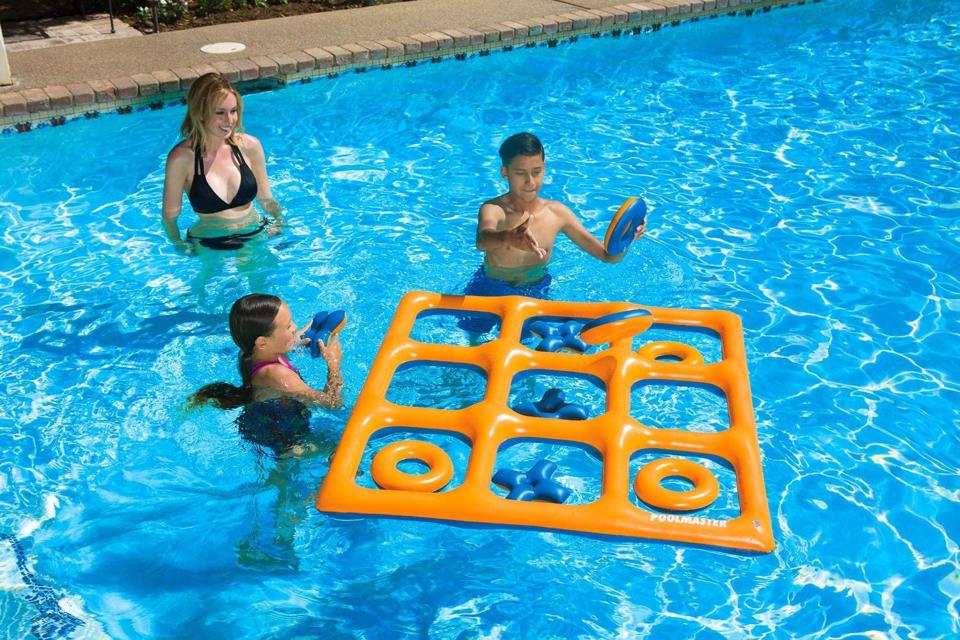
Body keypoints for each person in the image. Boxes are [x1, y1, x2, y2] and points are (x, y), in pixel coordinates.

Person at [468, 132, 646, 299]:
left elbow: (608, 257)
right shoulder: (494, 209)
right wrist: (507, 237)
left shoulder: (557, 214)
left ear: (544, 169)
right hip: (490, 286)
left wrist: (626, 240)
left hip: (535, 288)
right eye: (520, 173)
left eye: (536, 172)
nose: (530, 181)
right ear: (505, 173)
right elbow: (482, 240)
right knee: (471, 333)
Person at [188, 294, 344, 455]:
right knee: (342, 448)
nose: (295, 327)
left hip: (262, 418)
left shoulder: (248, 353)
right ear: (262, 342)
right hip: (285, 435)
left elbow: (283, 341)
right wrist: (334, 364)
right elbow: (332, 403)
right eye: (288, 326)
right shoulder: (278, 374)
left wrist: (302, 336)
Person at [162, 72, 284, 253]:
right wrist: (179, 245)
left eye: (233, 111)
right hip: (208, 241)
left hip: (254, 232)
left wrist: (280, 222)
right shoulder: (182, 158)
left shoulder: (250, 146)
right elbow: (170, 216)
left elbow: (266, 198)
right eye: (220, 113)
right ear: (200, 113)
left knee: (261, 279)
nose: (229, 120)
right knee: (208, 281)